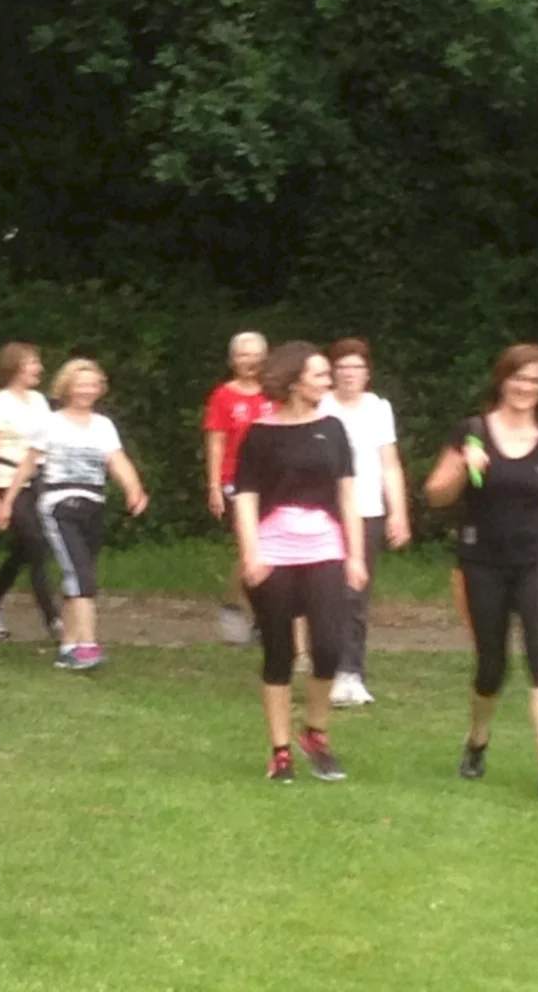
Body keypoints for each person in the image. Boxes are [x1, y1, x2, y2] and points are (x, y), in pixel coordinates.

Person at [425, 343, 538, 804]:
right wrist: (462, 469)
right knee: (492, 666)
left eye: (535, 381)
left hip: (537, 559)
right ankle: (477, 739)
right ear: (502, 379)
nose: (526, 388)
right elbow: (435, 495)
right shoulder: (471, 432)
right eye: (519, 378)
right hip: (481, 561)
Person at [234, 341, 367, 782]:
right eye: (320, 375)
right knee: (280, 653)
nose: (328, 382)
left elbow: (348, 495)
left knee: (328, 646)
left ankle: (315, 732)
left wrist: (355, 555)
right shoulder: (260, 433)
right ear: (294, 381)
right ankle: (280, 752)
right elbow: (247, 498)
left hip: (325, 546)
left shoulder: (333, 429)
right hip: (273, 549)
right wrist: (250, 553)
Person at [0, 359, 148, 670]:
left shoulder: (103, 425)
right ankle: (87, 646)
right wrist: (7, 501)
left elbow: (117, 460)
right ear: (66, 387)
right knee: (81, 576)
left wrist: (134, 489)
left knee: (78, 575)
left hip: (92, 503)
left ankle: (68, 647)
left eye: (93, 384)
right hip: (59, 503)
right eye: (81, 383)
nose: (87, 390)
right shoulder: (50, 423)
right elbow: (29, 464)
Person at [322, 338, 410, 706]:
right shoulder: (321, 407)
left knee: (356, 594)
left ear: (367, 373)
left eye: (356, 369)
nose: (349, 376)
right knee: (328, 594)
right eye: (342, 370)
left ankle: (351, 673)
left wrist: (399, 512)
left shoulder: (378, 409)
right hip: (326, 512)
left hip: (367, 509)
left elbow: (389, 463)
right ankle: (324, 668)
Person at [0, 342, 60, 640]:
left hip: (37, 479)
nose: (39, 368)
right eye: (33, 363)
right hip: (5, 478)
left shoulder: (38, 401)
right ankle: (54, 619)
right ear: (15, 366)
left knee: (27, 549)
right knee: (35, 544)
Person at [203, 331, 276, 644]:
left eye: (256, 354)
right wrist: (214, 486)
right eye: (243, 355)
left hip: (275, 479)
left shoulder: (276, 392)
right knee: (252, 546)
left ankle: (263, 617)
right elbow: (216, 442)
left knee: (272, 547)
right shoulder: (223, 396)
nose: (250, 361)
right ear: (232, 361)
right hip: (237, 480)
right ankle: (235, 604)